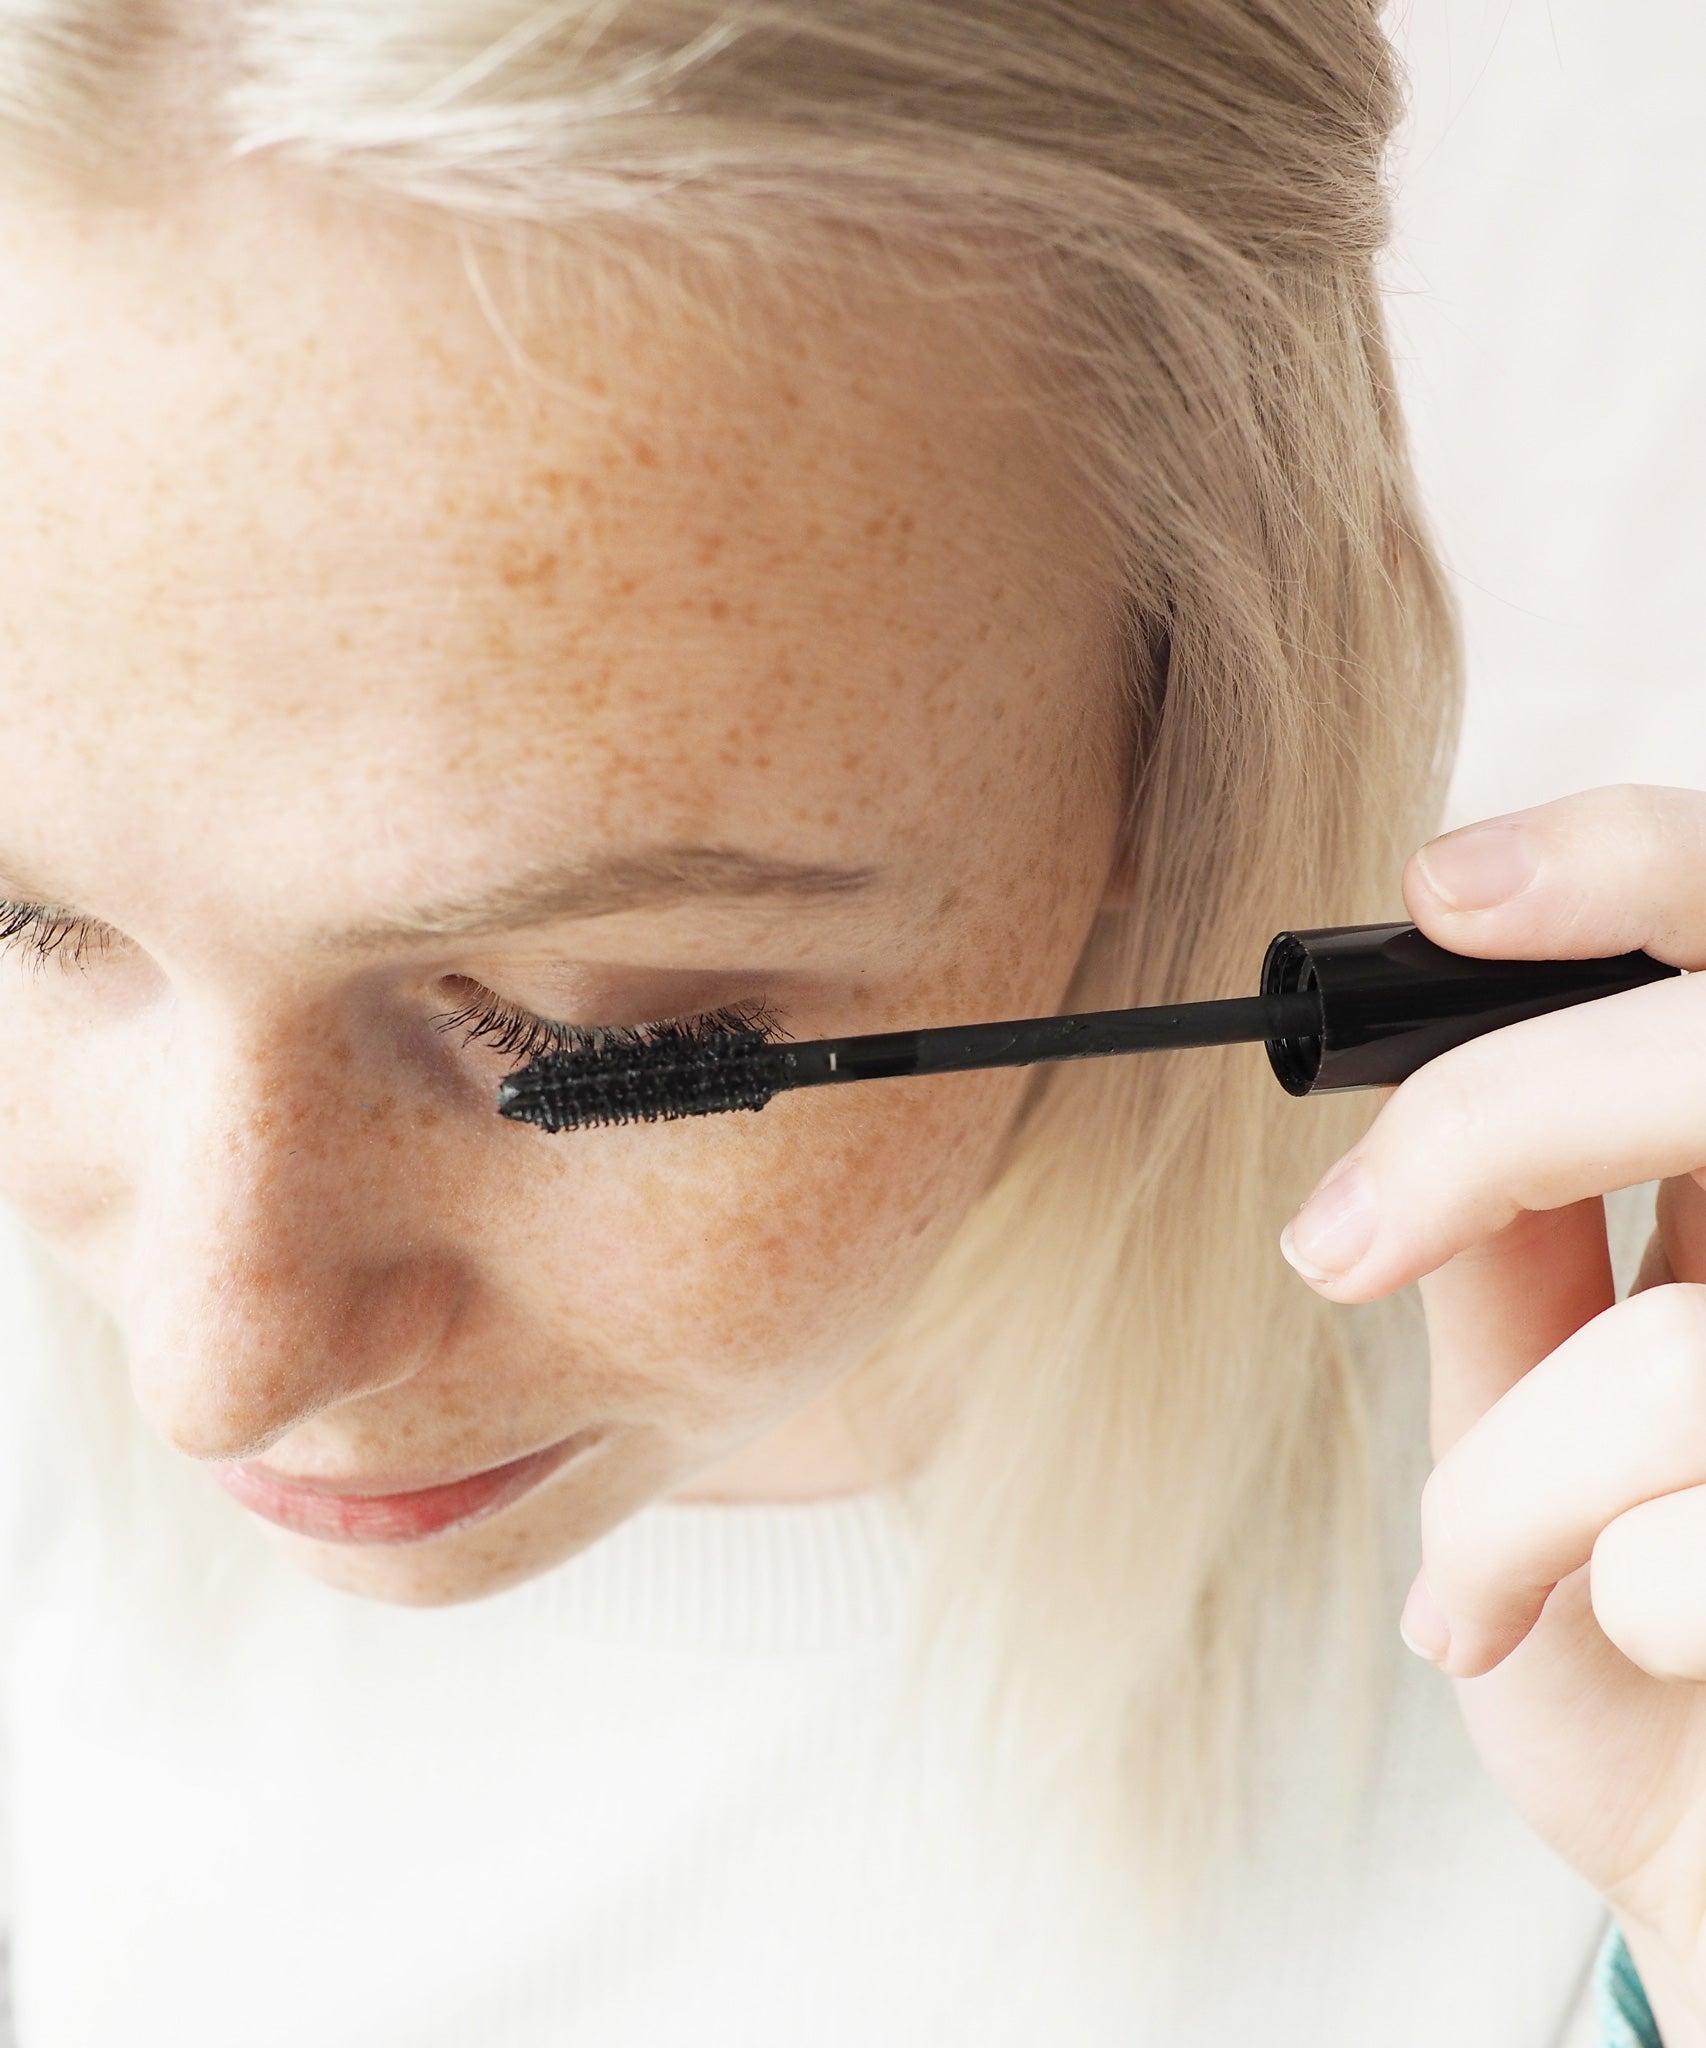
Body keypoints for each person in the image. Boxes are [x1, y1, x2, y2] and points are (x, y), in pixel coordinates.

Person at [0, 3, 1696, 2043]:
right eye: (20, 921)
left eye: (564, 1019)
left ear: (1176, 745)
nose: (218, 1366)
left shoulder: (1605, 1623)